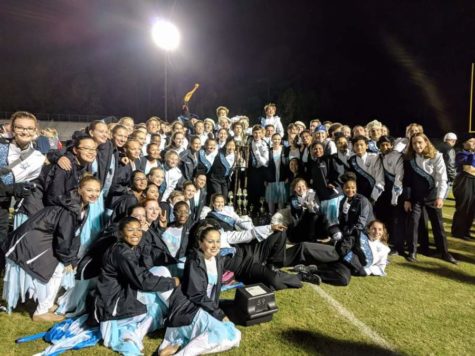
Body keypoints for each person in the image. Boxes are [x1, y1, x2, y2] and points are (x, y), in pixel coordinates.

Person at [3, 175, 100, 322]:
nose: (94, 194)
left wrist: (72, 259)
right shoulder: (71, 209)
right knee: (49, 271)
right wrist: (67, 260)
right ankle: (41, 312)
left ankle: (46, 305)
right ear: (80, 190)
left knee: (57, 271)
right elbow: (64, 237)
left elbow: (74, 235)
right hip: (32, 240)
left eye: (97, 190)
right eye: (89, 190)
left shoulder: (80, 206)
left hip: (44, 238)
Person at [93, 217, 179, 355]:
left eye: (138, 230)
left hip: (124, 295)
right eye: (130, 230)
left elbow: (145, 268)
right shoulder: (122, 252)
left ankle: (181, 314)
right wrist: (173, 282)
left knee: (161, 274)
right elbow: (143, 281)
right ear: (120, 233)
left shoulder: (127, 247)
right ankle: (183, 315)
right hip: (116, 305)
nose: (136, 233)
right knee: (160, 288)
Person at [157, 226, 241, 356]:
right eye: (210, 241)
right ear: (201, 243)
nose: (215, 245)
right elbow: (196, 294)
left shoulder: (217, 258)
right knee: (228, 334)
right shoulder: (194, 261)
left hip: (206, 306)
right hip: (191, 308)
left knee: (234, 334)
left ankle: (181, 343)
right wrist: (219, 314)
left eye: (218, 241)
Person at [0, 111, 45, 270]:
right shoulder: (1, 147)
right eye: (20, 127)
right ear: (12, 129)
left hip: (3, 208)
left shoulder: (38, 157)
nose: (25, 132)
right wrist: (11, 189)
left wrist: (58, 157)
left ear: (35, 131)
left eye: (29, 128)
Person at [403, 133, 457, 264]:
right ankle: (412, 251)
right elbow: (408, 181)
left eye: (420, 142)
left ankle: (444, 252)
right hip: (416, 198)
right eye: (414, 143)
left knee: (438, 225)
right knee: (414, 224)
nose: (417, 145)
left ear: (426, 142)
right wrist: (407, 199)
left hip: (432, 197)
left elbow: (442, 178)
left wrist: (440, 197)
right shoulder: (410, 159)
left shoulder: (437, 156)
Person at [348, 135, 385, 204]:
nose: (359, 147)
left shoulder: (375, 158)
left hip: (377, 196)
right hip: (359, 196)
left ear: (367, 146)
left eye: (361, 145)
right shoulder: (351, 160)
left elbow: (380, 180)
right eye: (356, 145)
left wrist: (373, 198)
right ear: (353, 147)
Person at [451, 137, 475, 240]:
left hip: (473, 181)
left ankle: (466, 231)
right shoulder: (461, 154)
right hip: (463, 181)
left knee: (472, 207)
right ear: (464, 143)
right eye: (471, 141)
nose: (473, 143)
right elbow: (469, 168)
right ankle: (458, 231)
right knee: (463, 206)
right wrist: (473, 153)